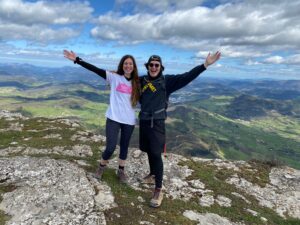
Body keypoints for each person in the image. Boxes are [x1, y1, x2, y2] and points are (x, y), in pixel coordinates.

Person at [139, 51, 221, 207]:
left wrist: (205, 65)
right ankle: (153, 174)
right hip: (143, 120)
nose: (154, 67)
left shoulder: (167, 81)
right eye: (151, 65)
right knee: (149, 150)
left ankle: (158, 189)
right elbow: (123, 79)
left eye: (157, 65)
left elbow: (187, 76)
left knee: (156, 153)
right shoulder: (141, 80)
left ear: (160, 67)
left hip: (156, 123)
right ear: (148, 66)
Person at [63, 50, 140, 183]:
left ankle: (121, 170)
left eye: (130, 64)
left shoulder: (137, 82)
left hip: (129, 120)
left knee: (124, 146)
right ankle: (101, 167)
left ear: (134, 66)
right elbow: (95, 69)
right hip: (113, 118)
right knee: (110, 147)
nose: (128, 66)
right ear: (122, 65)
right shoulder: (114, 77)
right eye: (126, 63)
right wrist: (77, 60)